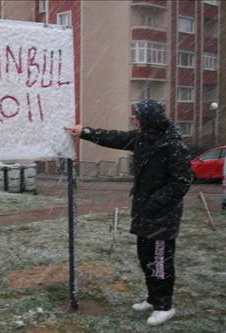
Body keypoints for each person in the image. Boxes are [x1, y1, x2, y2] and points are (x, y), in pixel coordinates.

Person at [64, 99, 193, 325]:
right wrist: (84, 132)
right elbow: (114, 138)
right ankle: (153, 298)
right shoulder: (143, 139)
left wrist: (154, 202)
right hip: (145, 212)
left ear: (149, 119)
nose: (135, 120)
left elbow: (182, 182)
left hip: (163, 216)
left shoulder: (172, 145)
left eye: (138, 116)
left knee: (160, 261)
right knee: (146, 258)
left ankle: (165, 306)